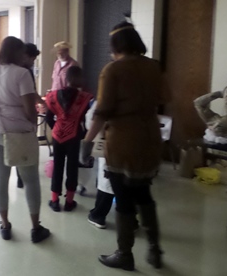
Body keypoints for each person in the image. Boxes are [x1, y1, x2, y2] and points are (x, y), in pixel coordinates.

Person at [81, 22, 170, 271]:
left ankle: (124, 254)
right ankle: (154, 248)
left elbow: (101, 112)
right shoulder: (153, 66)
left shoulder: (113, 70)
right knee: (144, 194)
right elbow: (165, 97)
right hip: (150, 138)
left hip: (123, 141)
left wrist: (87, 142)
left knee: (123, 198)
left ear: (115, 46)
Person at [0, 36, 50, 243]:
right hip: (18, 132)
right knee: (30, 180)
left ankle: (5, 225)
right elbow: (30, 110)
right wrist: (32, 123)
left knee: (0, 180)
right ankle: (36, 228)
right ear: (17, 53)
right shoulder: (22, 74)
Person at [45, 66, 93, 212]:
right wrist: (84, 134)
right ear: (80, 79)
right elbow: (86, 120)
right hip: (74, 135)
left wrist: (56, 127)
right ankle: (69, 202)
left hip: (57, 135)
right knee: (72, 168)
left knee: (57, 166)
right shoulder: (84, 98)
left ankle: (54, 201)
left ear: (66, 78)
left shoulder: (54, 95)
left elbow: (48, 117)